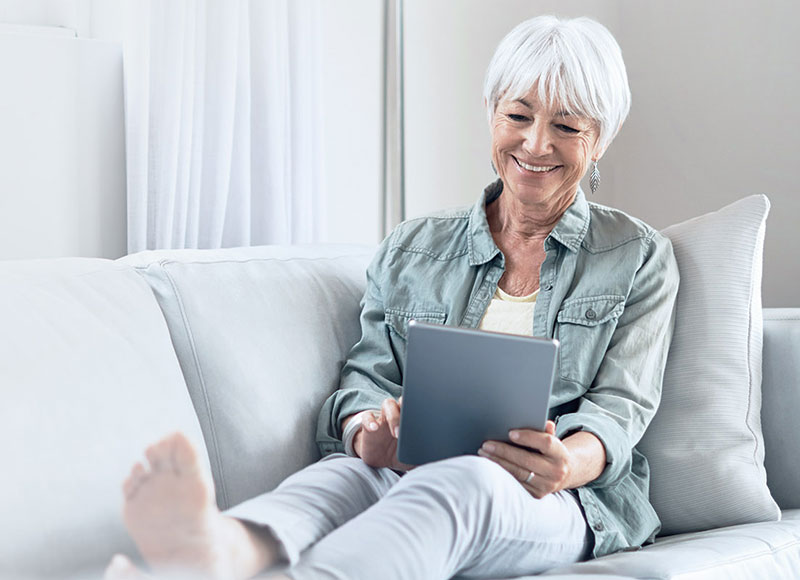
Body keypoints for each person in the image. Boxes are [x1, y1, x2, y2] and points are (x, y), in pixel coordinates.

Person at [105, 14, 679, 580]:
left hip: (563, 502)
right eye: (518, 115)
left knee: (464, 484)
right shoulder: (413, 248)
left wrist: (565, 463)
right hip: (411, 467)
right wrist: (367, 434)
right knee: (336, 478)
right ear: (490, 113)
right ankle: (216, 552)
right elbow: (366, 379)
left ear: (600, 139)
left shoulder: (636, 256)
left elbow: (620, 411)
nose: (535, 143)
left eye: (567, 127)